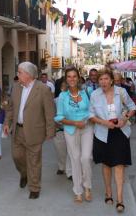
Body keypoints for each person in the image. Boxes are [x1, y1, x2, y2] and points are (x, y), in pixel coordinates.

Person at [3, 62, 56, 199]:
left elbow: (50, 112)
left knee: (34, 161)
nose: (17, 75)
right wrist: (7, 123)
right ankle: (24, 173)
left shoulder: (43, 89)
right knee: (17, 157)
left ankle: (34, 187)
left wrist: (50, 131)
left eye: (20, 72)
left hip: (34, 131)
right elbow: (10, 109)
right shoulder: (16, 88)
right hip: (18, 131)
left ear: (28, 75)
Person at [89, 68, 136, 213]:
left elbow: (132, 107)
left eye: (106, 79)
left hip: (120, 132)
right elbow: (90, 115)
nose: (103, 82)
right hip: (102, 133)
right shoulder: (94, 95)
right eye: (100, 79)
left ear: (111, 80)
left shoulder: (121, 92)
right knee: (106, 165)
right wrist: (104, 123)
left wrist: (125, 119)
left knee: (119, 165)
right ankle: (108, 192)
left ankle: (120, 199)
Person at [54, 67, 94, 204]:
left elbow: (93, 111)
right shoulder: (62, 97)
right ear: (66, 79)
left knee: (86, 158)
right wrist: (74, 123)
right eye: (69, 77)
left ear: (78, 78)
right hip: (70, 130)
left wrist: (86, 120)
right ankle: (78, 191)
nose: (72, 79)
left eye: (74, 76)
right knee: (75, 159)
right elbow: (59, 117)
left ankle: (87, 186)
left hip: (87, 128)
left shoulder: (87, 92)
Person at [53, 81, 72, 180]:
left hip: (71, 129)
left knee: (71, 151)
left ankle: (70, 172)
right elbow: (51, 114)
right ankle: (61, 166)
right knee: (60, 150)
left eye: (67, 86)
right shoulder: (55, 101)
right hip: (58, 129)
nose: (65, 88)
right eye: (63, 86)